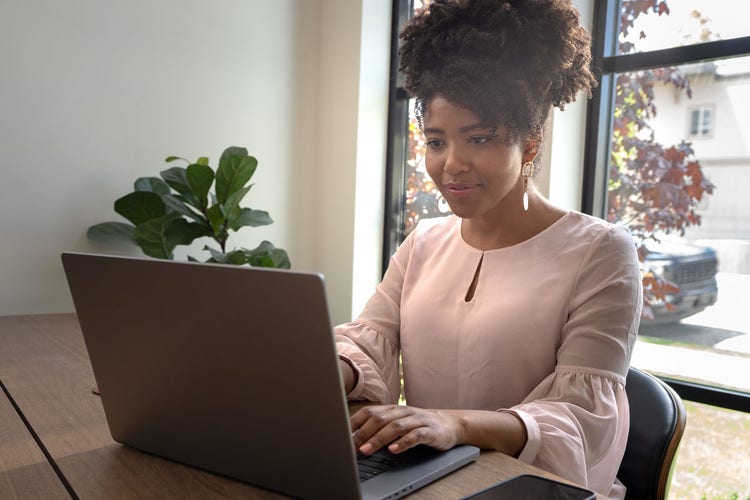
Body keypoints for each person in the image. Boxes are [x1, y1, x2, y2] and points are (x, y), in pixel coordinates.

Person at [335, 0, 642, 498]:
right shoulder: (424, 242)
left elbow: (580, 421)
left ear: (532, 143)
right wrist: (333, 366)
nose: (451, 164)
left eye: (478, 139)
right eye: (436, 141)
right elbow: (370, 342)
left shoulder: (601, 252)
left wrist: (455, 424)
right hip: (429, 479)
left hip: (532, 487)